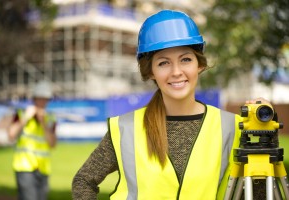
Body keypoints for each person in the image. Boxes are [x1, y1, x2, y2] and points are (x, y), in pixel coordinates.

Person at [72, 10, 271, 199]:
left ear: (199, 65)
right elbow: (83, 181)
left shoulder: (233, 128)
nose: (176, 71)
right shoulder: (126, 129)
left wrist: (264, 137)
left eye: (185, 59)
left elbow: (257, 195)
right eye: (163, 63)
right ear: (150, 72)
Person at [8, 80, 57, 200]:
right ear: (34, 98)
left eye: (45, 99)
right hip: (24, 167)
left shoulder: (49, 118)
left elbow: (52, 144)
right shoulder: (21, 114)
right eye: (40, 98)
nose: (43, 102)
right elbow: (11, 135)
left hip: (43, 169)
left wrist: (43, 123)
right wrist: (26, 117)